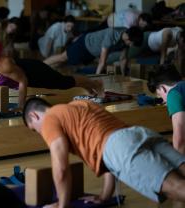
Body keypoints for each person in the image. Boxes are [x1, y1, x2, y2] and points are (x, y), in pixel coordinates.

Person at [23, 97, 185, 207]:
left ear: (34, 115)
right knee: (178, 188)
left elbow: (61, 169)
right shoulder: (79, 105)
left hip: (119, 147)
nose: (40, 132)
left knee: (176, 188)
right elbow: (107, 154)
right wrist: (104, 196)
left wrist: (61, 205)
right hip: (139, 134)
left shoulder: (49, 120)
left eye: (34, 129)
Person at [0, 24, 103, 109]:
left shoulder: (1, 64)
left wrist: (21, 106)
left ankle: (95, 83)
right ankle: (88, 87)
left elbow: (22, 81)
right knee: (64, 83)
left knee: (63, 83)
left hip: (34, 71)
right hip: (23, 72)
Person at [44, 26, 144, 75]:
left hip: (91, 52)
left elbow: (123, 59)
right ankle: (41, 66)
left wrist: (123, 76)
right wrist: (97, 78)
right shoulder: (112, 35)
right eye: (131, 43)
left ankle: (46, 71)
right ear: (128, 37)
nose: (131, 45)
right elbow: (102, 61)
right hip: (84, 44)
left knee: (65, 63)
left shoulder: (126, 41)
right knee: (62, 57)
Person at [147, 64, 185, 154]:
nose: (164, 101)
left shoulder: (174, 94)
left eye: (160, 95)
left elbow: (180, 141)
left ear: (163, 88)